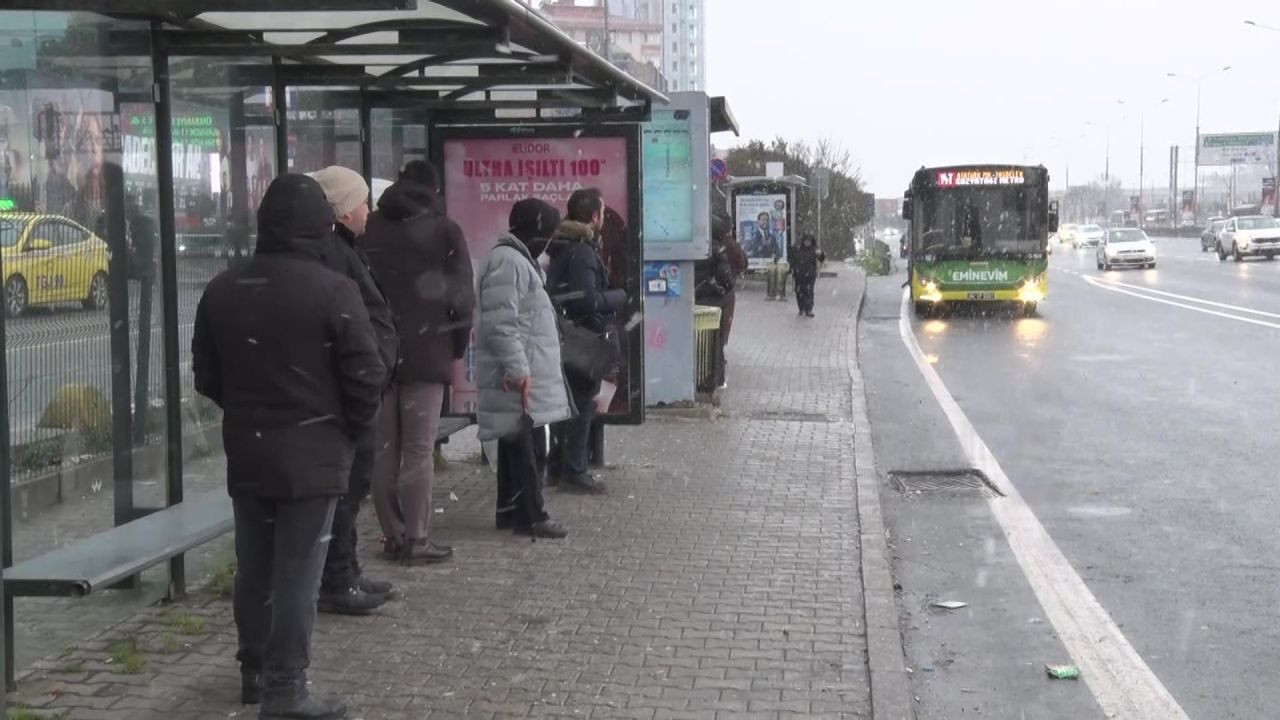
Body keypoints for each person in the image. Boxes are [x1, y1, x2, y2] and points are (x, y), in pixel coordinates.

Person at [192, 174, 384, 719]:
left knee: (254, 565)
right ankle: (285, 688)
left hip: (250, 450)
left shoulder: (223, 288)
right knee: (299, 570)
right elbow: (366, 373)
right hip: (315, 454)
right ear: (319, 225)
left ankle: (254, 671)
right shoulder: (332, 289)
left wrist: (252, 409)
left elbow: (206, 375)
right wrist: (345, 425)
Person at [363, 160, 474, 565]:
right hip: (427, 354)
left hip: (377, 354)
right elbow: (461, 297)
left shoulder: (370, 228)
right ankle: (417, 538)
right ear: (434, 190)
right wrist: (455, 346)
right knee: (418, 449)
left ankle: (393, 535)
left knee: (385, 449)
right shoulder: (444, 231)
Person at [307, 166, 400, 615]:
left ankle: (346, 569)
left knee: (353, 484)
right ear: (344, 211)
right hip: (348, 396)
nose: (370, 210)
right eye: (363, 202)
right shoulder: (335, 256)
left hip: (358, 389)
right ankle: (336, 578)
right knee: (346, 488)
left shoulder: (345, 250)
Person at [475, 198, 571, 538]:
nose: (550, 239)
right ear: (537, 229)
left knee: (517, 443)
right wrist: (518, 369)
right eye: (549, 231)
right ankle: (531, 515)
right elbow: (502, 323)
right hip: (518, 376)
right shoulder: (510, 262)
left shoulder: (514, 259)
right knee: (528, 447)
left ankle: (511, 510)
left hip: (521, 371)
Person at [545, 188, 626, 495]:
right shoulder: (581, 251)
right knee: (580, 403)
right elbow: (585, 299)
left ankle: (557, 465)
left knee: (569, 403)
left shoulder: (566, 245)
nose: (604, 217)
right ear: (594, 216)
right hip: (583, 339)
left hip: (569, 335)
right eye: (602, 213)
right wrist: (618, 297)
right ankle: (574, 471)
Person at [694, 215, 737, 389]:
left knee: (699, 341)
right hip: (713, 303)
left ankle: (701, 377)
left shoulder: (697, 248)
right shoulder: (718, 253)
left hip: (695, 299)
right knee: (715, 342)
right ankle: (714, 379)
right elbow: (728, 281)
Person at [791, 233, 824, 318]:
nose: (807, 243)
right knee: (799, 292)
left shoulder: (814, 249)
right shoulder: (797, 248)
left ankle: (808, 309)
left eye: (809, 241)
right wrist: (793, 269)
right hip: (798, 274)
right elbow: (792, 258)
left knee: (809, 291)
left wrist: (821, 254)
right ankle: (801, 308)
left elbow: (821, 258)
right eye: (806, 241)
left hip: (810, 275)